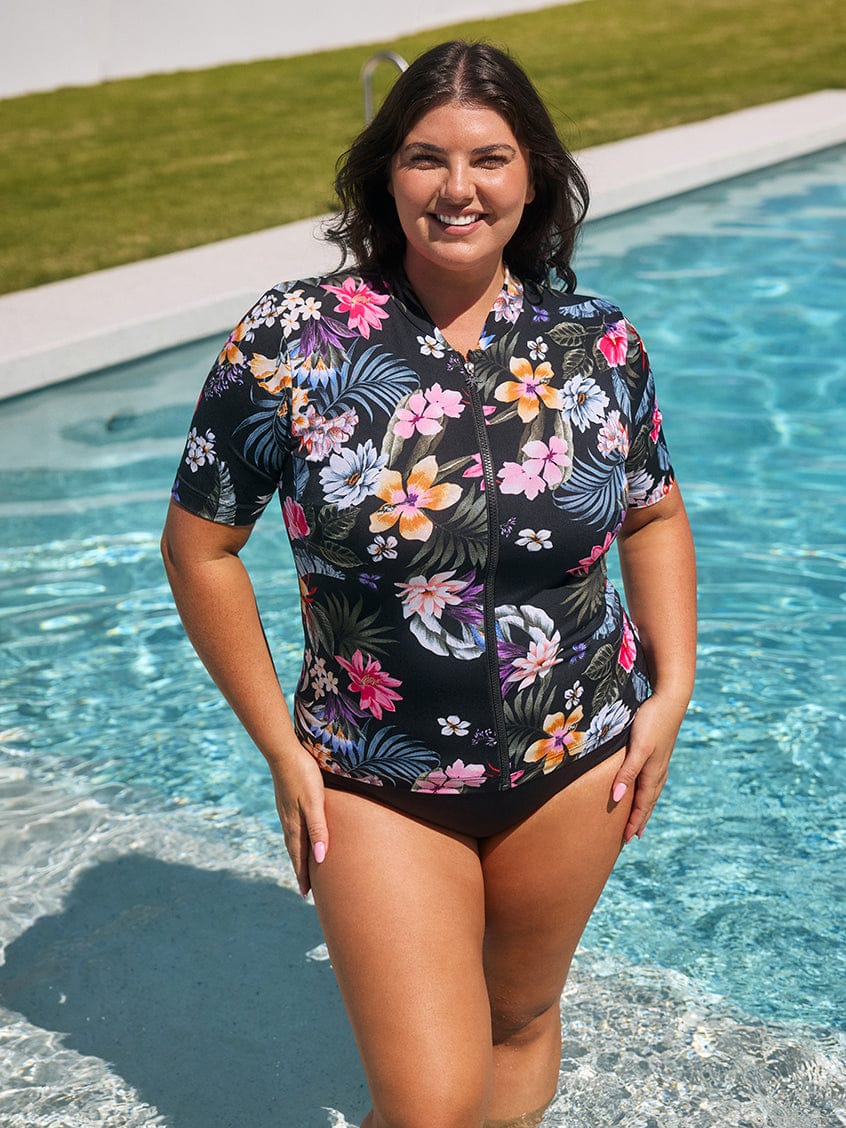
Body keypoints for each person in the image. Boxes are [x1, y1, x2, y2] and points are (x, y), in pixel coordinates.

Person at [161, 39, 696, 1128]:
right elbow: (199, 546)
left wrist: (672, 689)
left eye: (490, 158)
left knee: (518, 1022)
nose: (459, 188)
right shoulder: (294, 340)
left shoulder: (598, 343)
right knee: (431, 1105)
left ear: (534, 176)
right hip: (374, 772)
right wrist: (279, 749)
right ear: (386, 175)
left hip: (576, 760)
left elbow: (653, 510)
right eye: (425, 158)